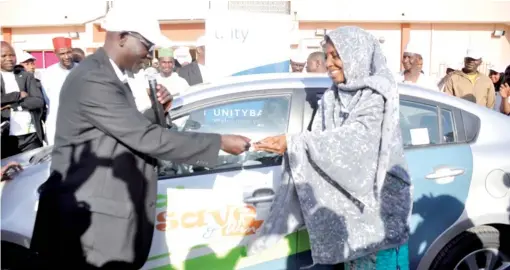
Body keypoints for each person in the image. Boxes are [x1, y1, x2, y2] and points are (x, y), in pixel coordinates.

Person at [30, 5, 250, 269]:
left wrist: (158, 111)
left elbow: (119, 129)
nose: (149, 55)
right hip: (89, 228)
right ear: (122, 37)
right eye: (147, 45)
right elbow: (144, 138)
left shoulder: (109, 74)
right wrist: (219, 142)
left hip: (100, 220)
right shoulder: (94, 78)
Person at [249, 27, 411, 270]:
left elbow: (356, 143)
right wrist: (292, 145)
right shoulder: (331, 98)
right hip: (350, 219)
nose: (328, 63)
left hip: (379, 218)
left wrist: (293, 143)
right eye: (326, 56)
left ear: (356, 55)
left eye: (336, 56)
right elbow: (320, 142)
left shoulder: (377, 96)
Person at [1, 41, 46, 158]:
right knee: (10, 173)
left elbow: (38, 101)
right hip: (6, 138)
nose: (9, 59)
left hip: (30, 136)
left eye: (12, 55)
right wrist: (17, 95)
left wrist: (14, 106)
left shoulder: (26, 76)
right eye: (4, 56)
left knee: (35, 172)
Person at [41, 37, 76, 145]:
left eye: (69, 52)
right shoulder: (48, 73)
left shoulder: (82, 70)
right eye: (62, 53)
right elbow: (47, 99)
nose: (66, 56)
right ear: (55, 53)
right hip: (56, 123)